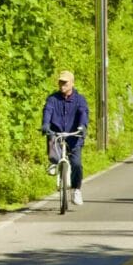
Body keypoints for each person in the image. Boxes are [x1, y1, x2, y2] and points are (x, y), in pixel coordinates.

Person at [41, 70, 90, 205]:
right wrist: (45, 124)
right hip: (57, 133)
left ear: (72, 83)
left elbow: (83, 113)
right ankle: (54, 162)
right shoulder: (52, 99)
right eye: (60, 82)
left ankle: (76, 190)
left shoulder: (80, 100)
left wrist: (82, 127)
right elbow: (47, 111)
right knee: (53, 152)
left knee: (76, 164)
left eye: (65, 82)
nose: (62, 85)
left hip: (74, 135)